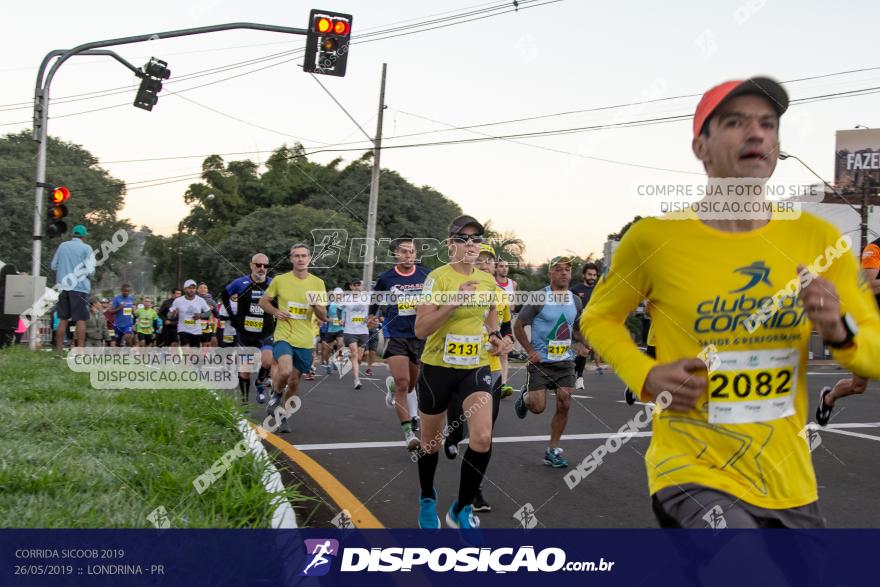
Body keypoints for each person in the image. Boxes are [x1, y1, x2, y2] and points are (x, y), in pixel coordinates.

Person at [581, 77, 880, 529]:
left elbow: (874, 350)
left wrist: (839, 328)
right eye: (735, 122)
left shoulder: (818, 239)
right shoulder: (653, 239)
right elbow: (599, 316)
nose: (756, 133)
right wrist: (644, 373)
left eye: (767, 123)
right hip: (690, 469)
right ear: (700, 147)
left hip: (787, 480)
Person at [414, 215, 503, 531]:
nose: (470, 244)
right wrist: (452, 303)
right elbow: (421, 329)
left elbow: (491, 311)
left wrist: (494, 336)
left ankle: (461, 509)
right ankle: (427, 498)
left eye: (476, 239)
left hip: (474, 367)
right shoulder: (436, 279)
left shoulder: (488, 280)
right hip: (436, 368)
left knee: (482, 437)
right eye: (463, 239)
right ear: (450, 244)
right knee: (429, 444)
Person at [443, 243, 514, 513]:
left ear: (496, 267)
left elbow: (506, 329)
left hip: (489, 368)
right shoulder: (454, 287)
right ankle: (452, 434)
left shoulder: (499, 297)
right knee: (458, 419)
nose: (485, 265)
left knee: (484, 434)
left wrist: (505, 341)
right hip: (456, 366)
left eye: (490, 262)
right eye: (481, 261)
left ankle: (475, 491)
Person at [513, 256, 587, 468]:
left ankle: (552, 450)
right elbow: (519, 326)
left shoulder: (576, 301)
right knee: (537, 407)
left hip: (564, 361)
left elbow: (574, 329)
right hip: (541, 362)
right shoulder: (539, 297)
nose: (564, 273)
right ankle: (525, 397)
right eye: (559, 269)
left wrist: (582, 343)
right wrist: (530, 350)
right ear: (550, 274)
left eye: (567, 270)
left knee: (565, 402)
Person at [370, 236, 431, 451]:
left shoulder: (426, 275)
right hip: (395, 333)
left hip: (419, 335)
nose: (408, 255)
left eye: (411, 251)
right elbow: (375, 299)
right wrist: (372, 315)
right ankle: (408, 434)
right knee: (404, 383)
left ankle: (391, 386)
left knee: (412, 385)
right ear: (395, 254)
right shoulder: (386, 278)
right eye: (403, 251)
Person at [259, 244, 327, 434]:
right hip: (284, 335)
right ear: (291, 259)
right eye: (296, 256)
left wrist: (316, 306)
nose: (300, 259)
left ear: (309, 259)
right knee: (285, 370)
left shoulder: (318, 283)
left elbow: (323, 316)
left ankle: (284, 417)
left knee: (295, 382)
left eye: (304, 256)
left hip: (305, 339)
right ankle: (275, 395)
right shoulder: (280, 280)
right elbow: (263, 302)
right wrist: (276, 311)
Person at [222, 253, 276, 405]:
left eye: (265, 266)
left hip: (265, 331)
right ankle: (245, 401)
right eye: (258, 265)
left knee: (268, 360)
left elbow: (279, 304)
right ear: (251, 265)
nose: (262, 268)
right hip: (246, 333)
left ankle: (259, 381)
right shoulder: (240, 283)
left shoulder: (273, 284)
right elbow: (225, 295)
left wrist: (277, 320)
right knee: (245, 370)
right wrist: (233, 318)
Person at [50, 224, 95, 351]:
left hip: (64, 287)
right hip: (80, 288)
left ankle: (58, 350)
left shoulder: (62, 246)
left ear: (73, 234)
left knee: (62, 319)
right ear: (84, 236)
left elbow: (53, 265)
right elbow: (91, 271)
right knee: (81, 320)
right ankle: (79, 351)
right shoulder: (87, 248)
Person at [571, 262, 602, 388]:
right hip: (576, 326)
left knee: (584, 352)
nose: (592, 277)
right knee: (583, 351)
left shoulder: (599, 290)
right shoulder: (575, 290)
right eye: (589, 274)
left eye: (594, 275)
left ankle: (577, 375)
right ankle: (578, 377)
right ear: (584, 275)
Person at [341, 279, 373, 390]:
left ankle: (347, 356)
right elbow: (340, 309)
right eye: (355, 285)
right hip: (350, 331)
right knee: (355, 354)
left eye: (359, 285)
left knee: (359, 358)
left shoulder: (367, 297)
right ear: (351, 287)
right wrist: (341, 319)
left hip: (363, 331)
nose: (357, 287)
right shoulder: (346, 298)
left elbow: (374, 307)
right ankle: (357, 380)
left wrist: (371, 318)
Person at [494, 257, 517, 396]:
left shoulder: (513, 284)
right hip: (489, 320)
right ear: (496, 268)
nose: (504, 268)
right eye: (501, 266)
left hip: (505, 320)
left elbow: (513, 304)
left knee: (504, 353)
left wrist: (508, 307)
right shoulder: (492, 283)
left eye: (506, 266)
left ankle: (503, 384)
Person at [169, 280, 212, 348]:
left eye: (193, 288)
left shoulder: (200, 300)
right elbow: (169, 315)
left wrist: (200, 315)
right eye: (189, 288)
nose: (191, 290)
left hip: (196, 330)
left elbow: (209, 312)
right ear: (185, 289)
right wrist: (173, 314)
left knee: (195, 353)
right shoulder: (178, 301)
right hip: (183, 329)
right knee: (186, 349)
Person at [320, 288, 345, 374]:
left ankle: (336, 360)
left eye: (340, 295)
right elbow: (323, 317)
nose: (339, 296)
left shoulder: (345, 304)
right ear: (334, 295)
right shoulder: (329, 305)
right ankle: (327, 364)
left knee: (341, 343)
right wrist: (328, 320)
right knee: (327, 350)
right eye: (337, 295)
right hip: (330, 329)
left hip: (340, 329)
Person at [0, 264, 20, 348]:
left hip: (1, 312)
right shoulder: (16, 284)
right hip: (12, 313)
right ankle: (8, 347)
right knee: (9, 336)